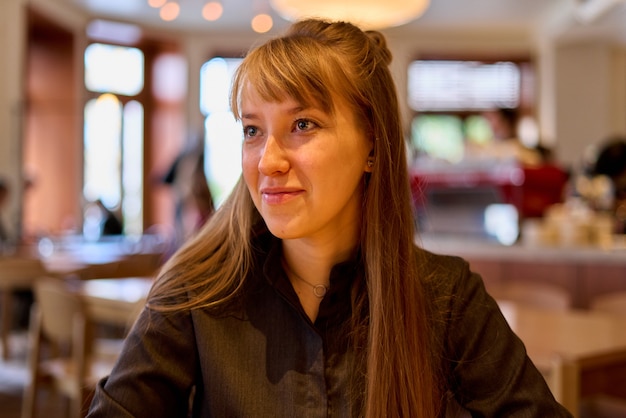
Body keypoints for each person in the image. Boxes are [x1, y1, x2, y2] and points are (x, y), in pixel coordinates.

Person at [87, 19, 571, 417]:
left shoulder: (446, 299)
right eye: (253, 130)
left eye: (303, 125)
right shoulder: (196, 293)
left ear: (373, 146)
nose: (267, 161)